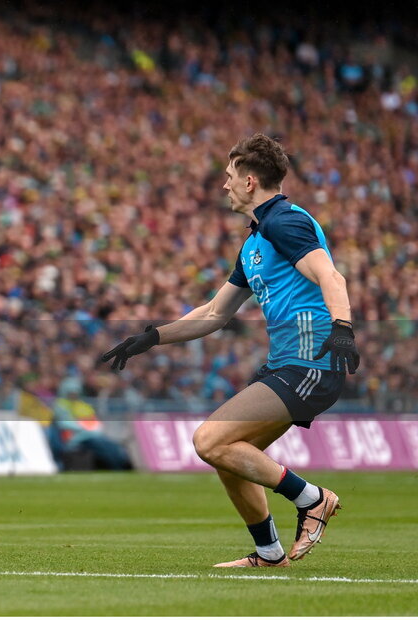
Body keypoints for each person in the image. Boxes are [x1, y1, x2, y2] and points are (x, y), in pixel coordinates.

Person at [102, 134, 360, 568]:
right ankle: (269, 553)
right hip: (285, 364)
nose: (224, 184)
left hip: (311, 361)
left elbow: (332, 278)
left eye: (229, 176)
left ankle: (312, 499)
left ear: (250, 181)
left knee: (209, 439)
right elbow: (214, 313)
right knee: (229, 455)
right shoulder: (255, 242)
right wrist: (151, 337)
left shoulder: (284, 222)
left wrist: (344, 328)